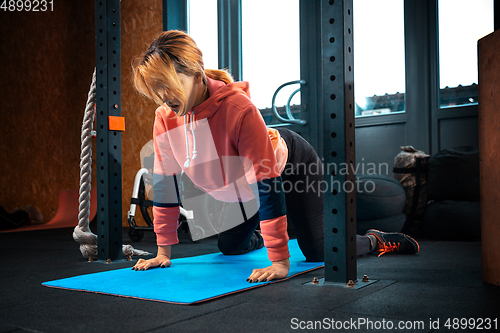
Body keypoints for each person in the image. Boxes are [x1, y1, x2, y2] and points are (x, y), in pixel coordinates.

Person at [131, 30, 419, 283]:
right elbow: (166, 186)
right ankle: (259, 238)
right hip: (239, 186)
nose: (163, 96)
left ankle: (373, 240)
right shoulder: (165, 118)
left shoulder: (238, 109)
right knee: (230, 247)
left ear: (196, 73)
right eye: (156, 89)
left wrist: (280, 261)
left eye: (168, 85)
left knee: (320, 250)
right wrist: (162, 253)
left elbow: (266, 184)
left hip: (290, 163)